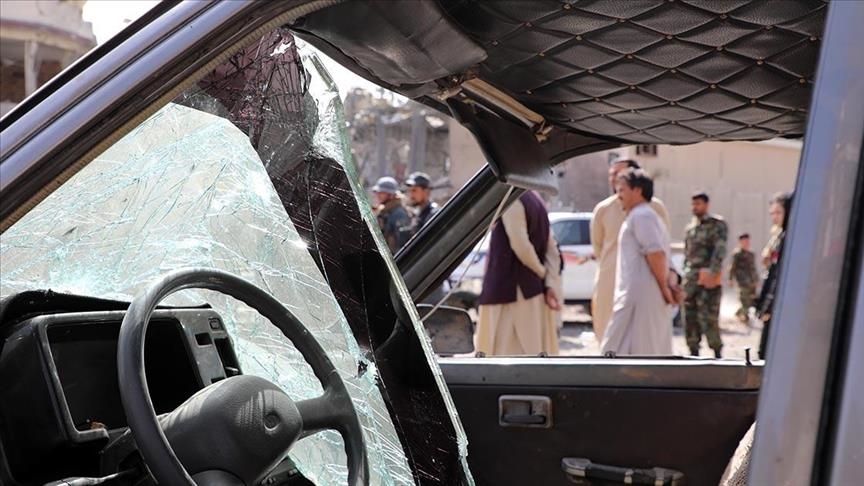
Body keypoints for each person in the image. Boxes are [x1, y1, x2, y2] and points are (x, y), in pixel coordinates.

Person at [591, 157, 670, 344]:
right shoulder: (603, 209)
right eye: (611, 175)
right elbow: (598, 246)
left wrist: (665, 284)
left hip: (642, 283)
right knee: (609, 335)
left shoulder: (650, 210)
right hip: (611, 279)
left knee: (641, 339)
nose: (614, 179)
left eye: (619, 174)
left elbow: (659, 249)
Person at [475, 191, 562, 356]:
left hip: (511, 293)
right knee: (534, 351)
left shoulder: (513, 199)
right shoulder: (536, 200)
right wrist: (548, 281)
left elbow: (521, 246)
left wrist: (543, 274)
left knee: (504, 354)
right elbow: (552, 249)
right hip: (532, 291)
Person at [683, 192, 728, 358]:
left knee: (709, 316)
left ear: (706, 205)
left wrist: (713, 272)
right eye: (693, 204)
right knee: (689, 316)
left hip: (708, 277)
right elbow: (687, 254)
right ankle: (693, 351)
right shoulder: (690, 228)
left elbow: (720, 249)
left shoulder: (717, 225)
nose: (694, 207)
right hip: (691, 279)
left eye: (698, 204)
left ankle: (717, 352)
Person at [756, 192, 793, 360]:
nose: (774, 217)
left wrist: (769, 305)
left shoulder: (790, 238)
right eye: (772, 213)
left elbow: (780, 275)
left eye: (778, 212)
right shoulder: (779, 236)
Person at [371, 176, 412, 253]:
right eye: (378, 192)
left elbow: (403, 243)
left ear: (391, 195)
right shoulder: (385, 211)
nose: (378, 195)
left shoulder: (399, 214)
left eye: (382, 192)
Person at [728, 233, 759, 324]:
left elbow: (753, 268)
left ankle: (739, 314)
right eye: (744, 241)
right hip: (742, 281)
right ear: (740, 242)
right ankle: (744, 317)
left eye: (747, 241)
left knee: (751, 301)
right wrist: (730, 279)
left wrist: (756, 280)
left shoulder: (751, 254)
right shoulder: (737, 254)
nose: (746, 243)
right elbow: (732, 267)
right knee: (744, 300)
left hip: (751, 282)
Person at [405, 171, 439, 235]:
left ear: (426, 191)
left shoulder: (434, 214)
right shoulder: (418, 213)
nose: (411, 195)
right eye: (410, 191)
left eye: (414, 190)